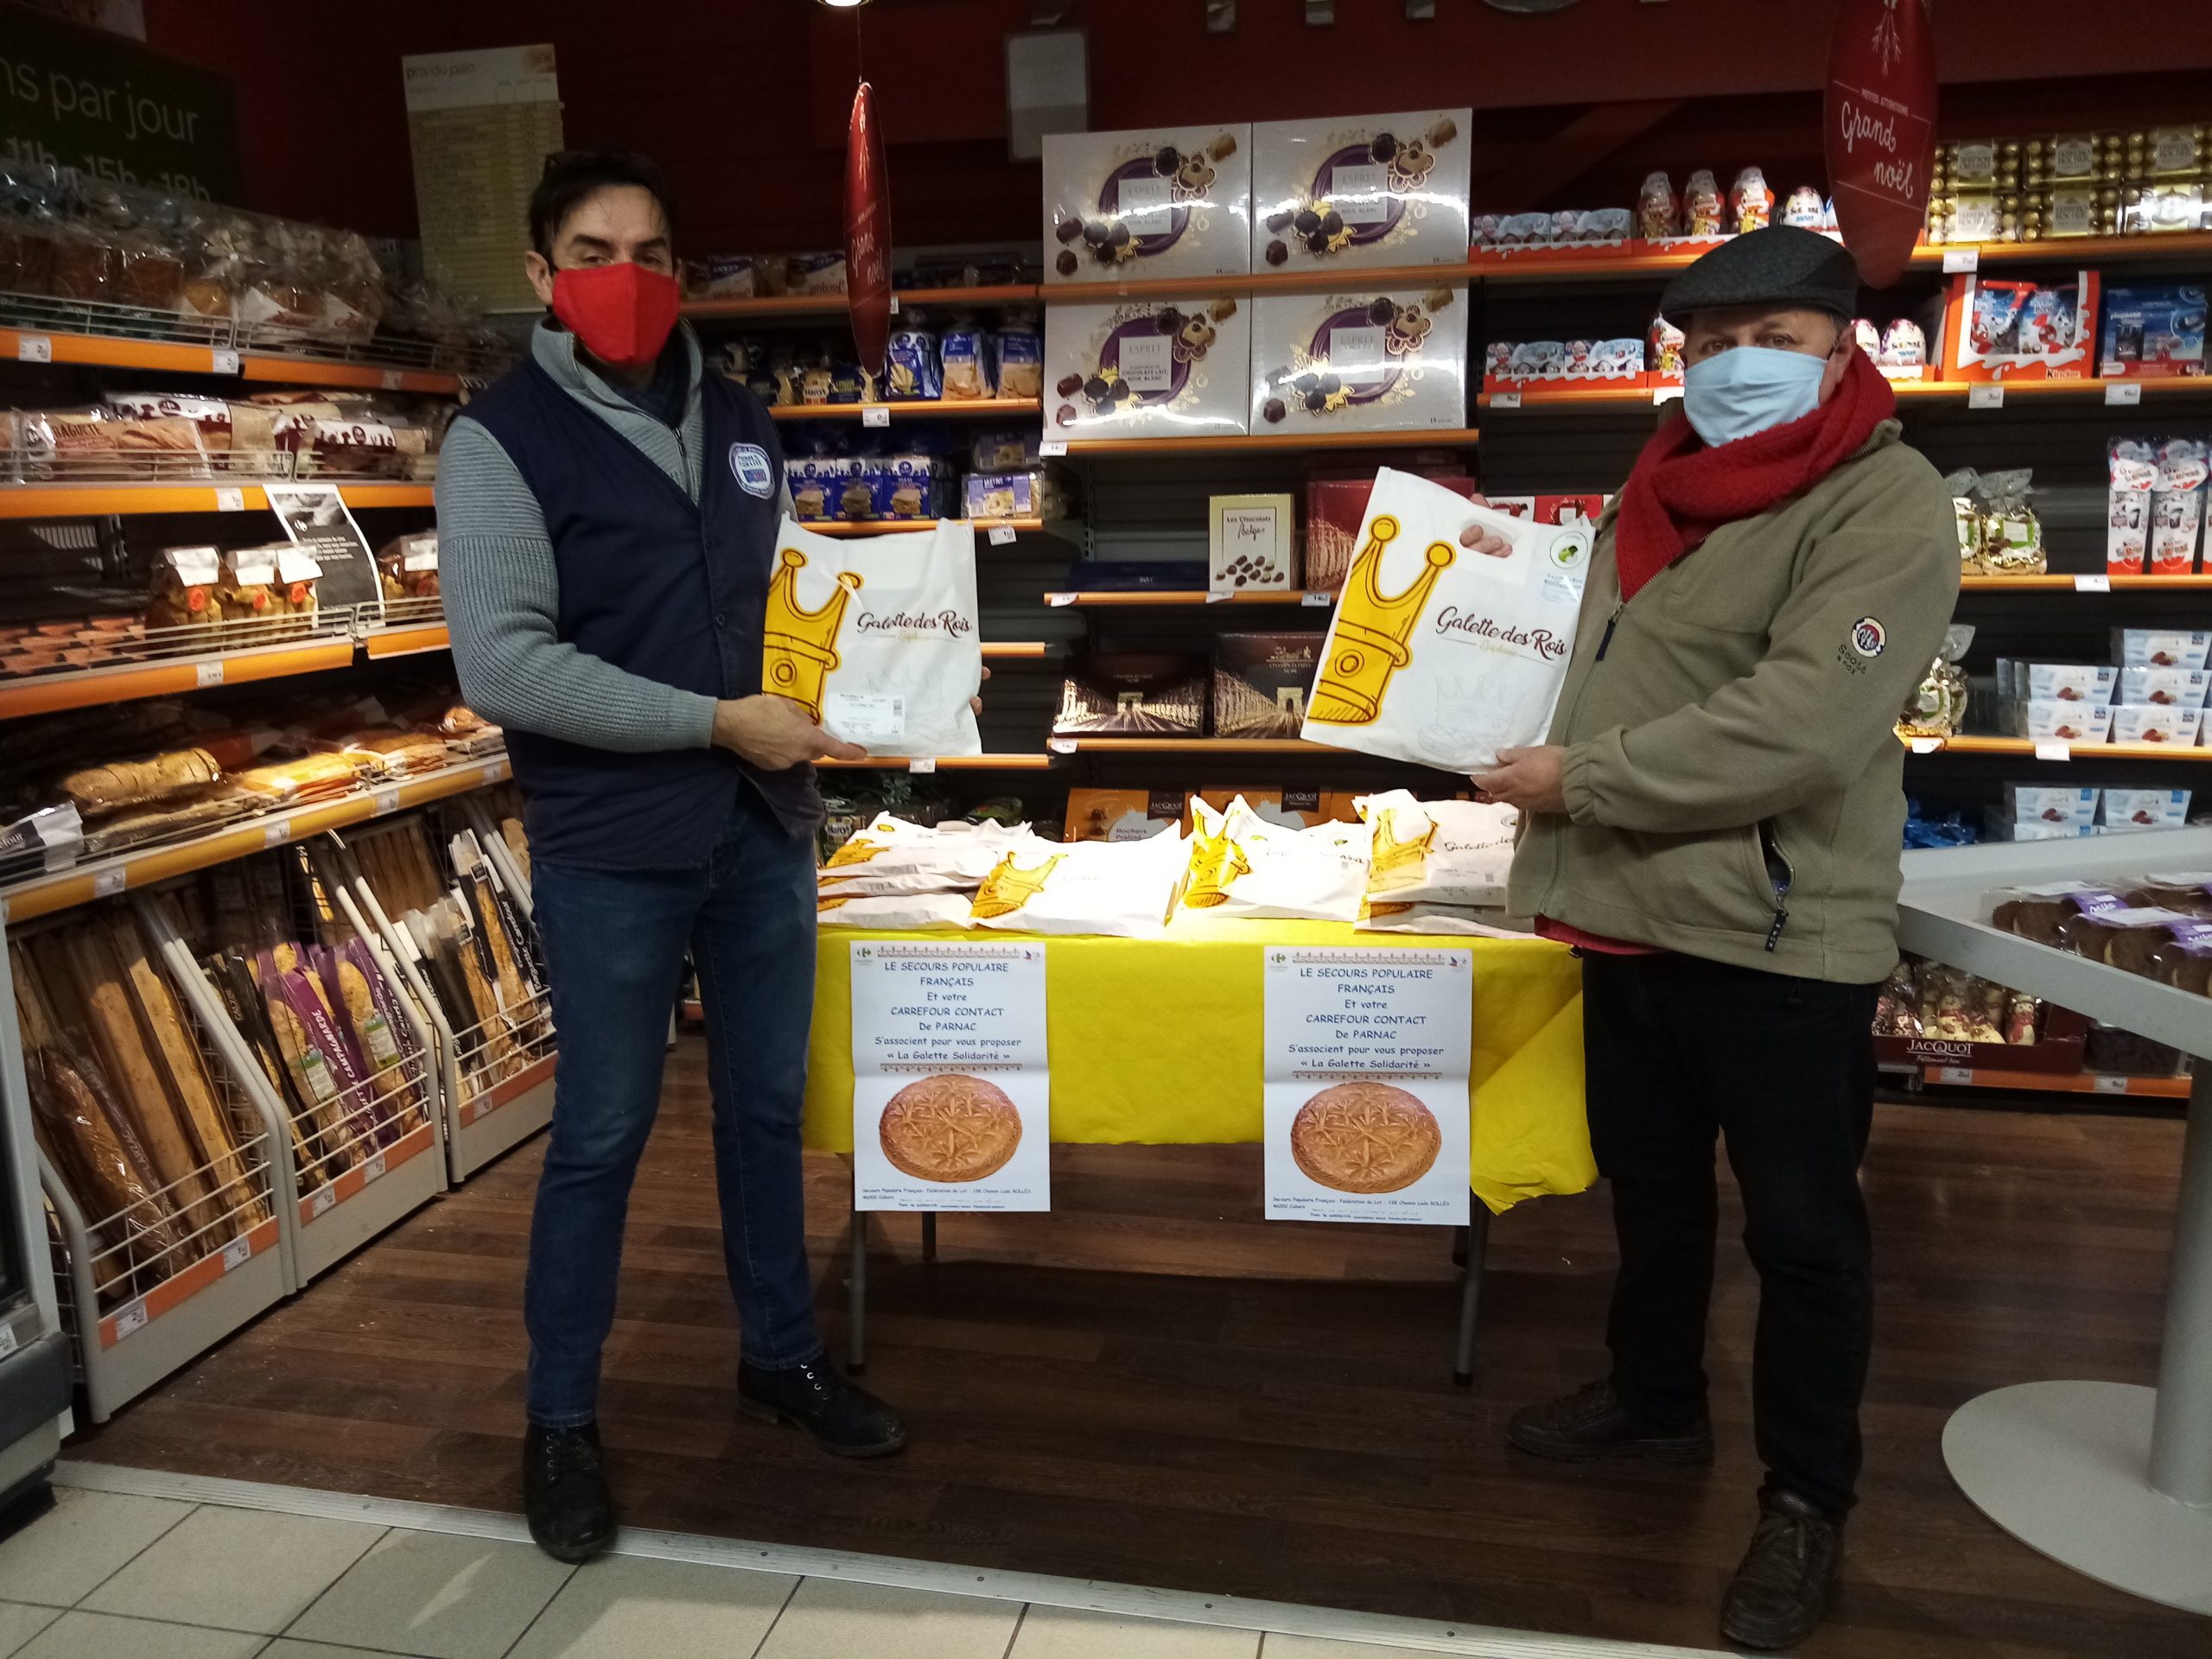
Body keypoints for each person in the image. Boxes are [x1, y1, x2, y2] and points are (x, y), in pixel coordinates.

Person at [1460, 226, 1959, 1652]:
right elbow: (1612, 655)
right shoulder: (1657, 480)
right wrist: (1484, 609)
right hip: (1626, 910)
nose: (1742, 367)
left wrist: (1584, 781)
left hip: (1776, 932)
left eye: (1776, 343)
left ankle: (1805, 1498)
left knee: (1802, 1235)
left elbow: (1802, 726)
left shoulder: (1886, 499)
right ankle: (1656, 1398)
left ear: (1841, 350)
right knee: (1654, 1190)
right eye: (1716, 344)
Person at [436, 145, 912, 1567]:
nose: (624, 279)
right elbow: (505, 667)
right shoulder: (499, 440)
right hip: (613, 849)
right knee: (600, 1135)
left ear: (681, 270)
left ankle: (780, 1353)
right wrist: (715, 721)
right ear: (542, 273)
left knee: (765, 1113)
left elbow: (778, 605)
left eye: (649, 254)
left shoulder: (745, 418)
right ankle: (560, 1420)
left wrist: (873, 675)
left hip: (763, 834)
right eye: (593, 254)